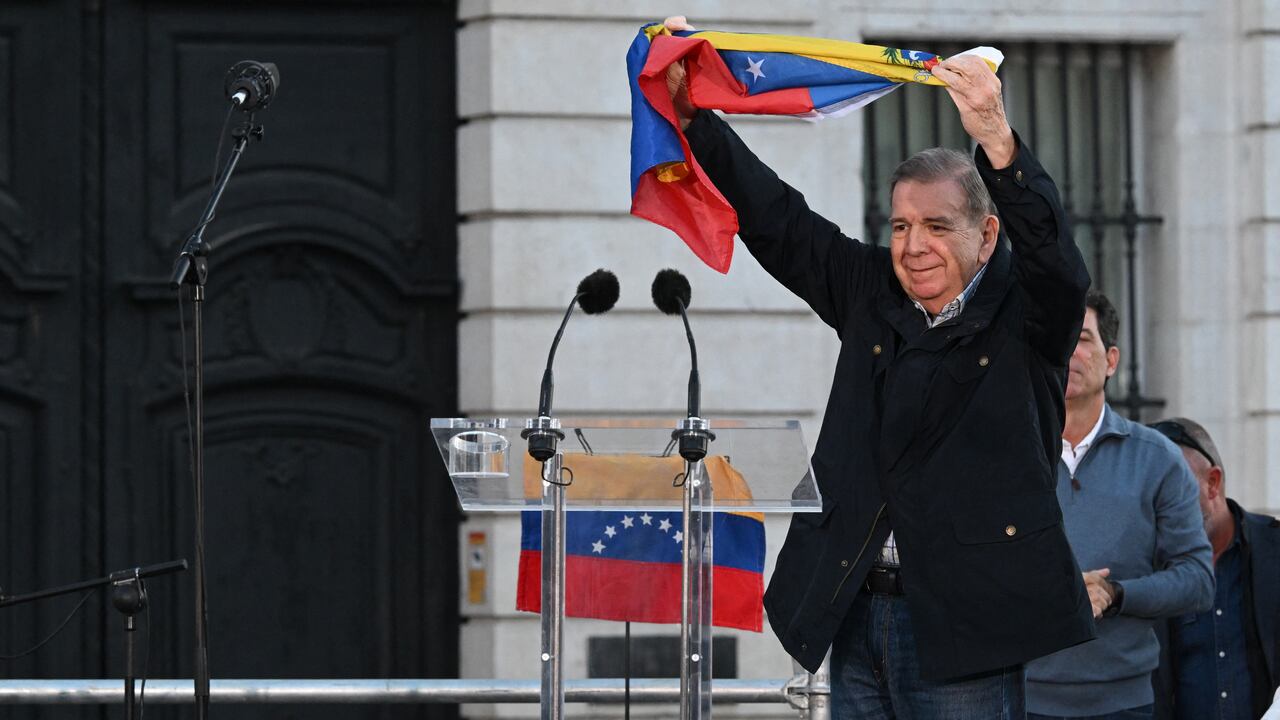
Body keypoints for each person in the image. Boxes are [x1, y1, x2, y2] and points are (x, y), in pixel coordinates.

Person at [660, 16, 1095, 717]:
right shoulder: (870, 294)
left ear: (986, 235)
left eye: (936, 226)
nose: (914, 246)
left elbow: (1057, 262)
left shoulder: (1029, 317)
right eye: (900, 226)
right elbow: (779, 220)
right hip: (857, 615)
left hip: (967, 631)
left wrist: (996, 139)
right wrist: (693, 117)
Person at [1023, 291, 1214, 719]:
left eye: (1083, 338)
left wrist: (1116, 593)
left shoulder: (1158, 458)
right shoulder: (1006, 458)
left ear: (1111, 361)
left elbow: (1198, 578)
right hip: (1019, 699)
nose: (1068, 351)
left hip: (1122, 705)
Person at [1148, 416, 1280, 720]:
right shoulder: (1143, 569)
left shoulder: (1273, 549)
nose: (1160, 505)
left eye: (1173, 489)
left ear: (1212, 483)